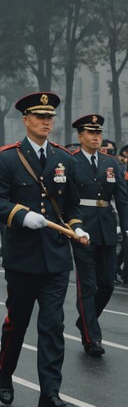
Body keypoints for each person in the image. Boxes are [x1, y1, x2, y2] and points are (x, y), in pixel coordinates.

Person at [0, 92, 88, 407]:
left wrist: (77, 226)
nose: (47, 122)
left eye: (50, 117)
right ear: (26, 120)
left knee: (53, 325)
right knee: (17, 323)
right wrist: (20, 214)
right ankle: (5, 374)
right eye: (40, 116)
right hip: (23, 258)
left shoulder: (64, 159)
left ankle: (50, 395)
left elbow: (70, 205)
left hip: (56, 259)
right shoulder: (9, 159)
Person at [69, 114, 128, 357]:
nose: (96, 137)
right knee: (88, 285)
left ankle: (85, 318)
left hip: (106, 228)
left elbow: (122, 200)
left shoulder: (112, 163)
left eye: (98, 133)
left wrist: (125, 227)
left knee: (106, 283)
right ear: (80, 136)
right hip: (82, 227)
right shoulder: (70, 162)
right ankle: (92, 338)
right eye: (90, 133)